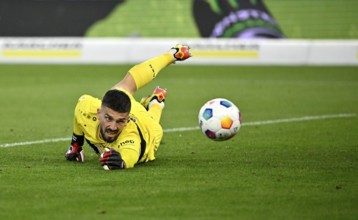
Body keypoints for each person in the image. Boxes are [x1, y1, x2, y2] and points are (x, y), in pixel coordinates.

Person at [65, 44, 191, 170]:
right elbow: (79, 109)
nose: (113, 127)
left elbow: (130, 154)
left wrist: (121, 161)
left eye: (120, 121)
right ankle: (172, 54)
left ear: (127, 119)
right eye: (108, 118)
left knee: (153, 123)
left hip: (149, 130)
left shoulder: (131, 137)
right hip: (127, 107)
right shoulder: (87, 108)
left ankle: (155, 103)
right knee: (123, 86)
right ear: (98, 113)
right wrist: (76, 145)